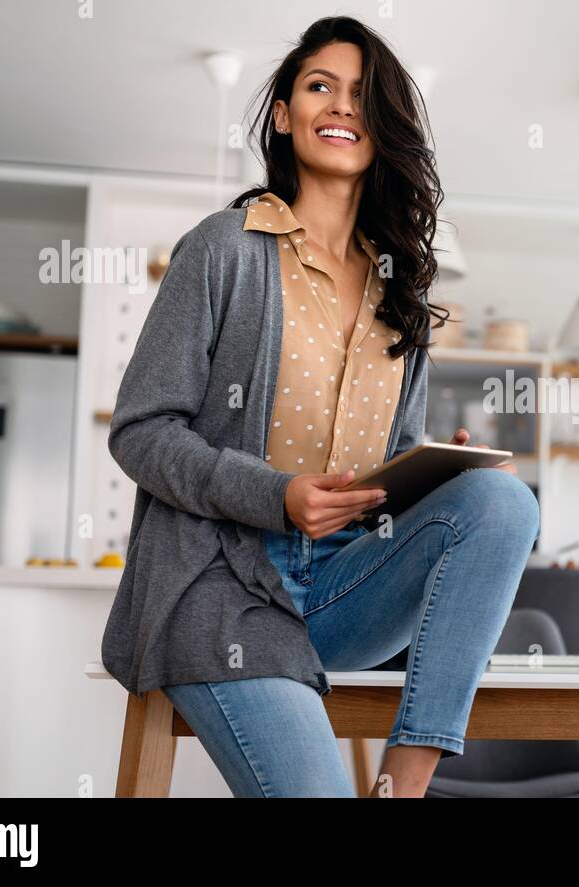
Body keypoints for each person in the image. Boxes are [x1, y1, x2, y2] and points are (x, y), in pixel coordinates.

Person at [101, 15, 540, 797]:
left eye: (363, 96)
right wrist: (278, 495)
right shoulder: (223, 250)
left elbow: (390, 465)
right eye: (319, 86)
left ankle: (406, 783)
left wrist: (436, 473)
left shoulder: (398, 288)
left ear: (384, 127)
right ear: (283, 113)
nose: (341, 106)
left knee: (501, 501)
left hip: (343, 587)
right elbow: (141, 432)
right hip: (223, 589)